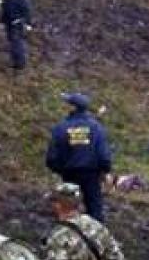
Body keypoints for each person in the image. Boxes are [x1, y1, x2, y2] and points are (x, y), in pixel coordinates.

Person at [45, 93, 114, 222]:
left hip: (69, 174)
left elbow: (52, 157)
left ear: (73, 107)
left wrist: (61, 170)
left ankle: (70, 232)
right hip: (91, 175)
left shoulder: (61, 127)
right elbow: (103, 154)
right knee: (94, 209)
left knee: (68, 209)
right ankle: (95, 232)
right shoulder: (96, 127)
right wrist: (105, 170)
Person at [0, 0, 31, 71]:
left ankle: (21, 64)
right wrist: (2, 22)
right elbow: (4, 11)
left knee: (17, 43)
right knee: (11, 42)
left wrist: (28, 23)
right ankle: (15, 61)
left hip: (17, 24)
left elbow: (26, 9)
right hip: (8, 24)